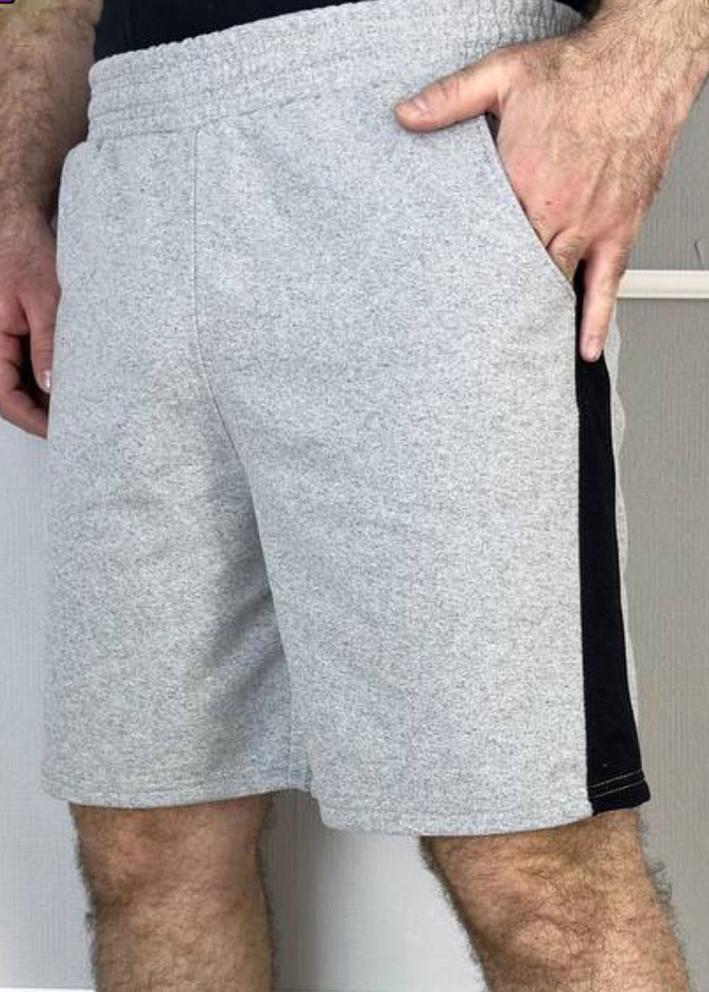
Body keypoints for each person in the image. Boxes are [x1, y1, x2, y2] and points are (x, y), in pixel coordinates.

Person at [0, 0, 704, 988]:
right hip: (125, 163)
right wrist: (15, 197)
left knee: (529, 855)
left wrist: (646, 56)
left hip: (421, 103)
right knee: (145, 838)